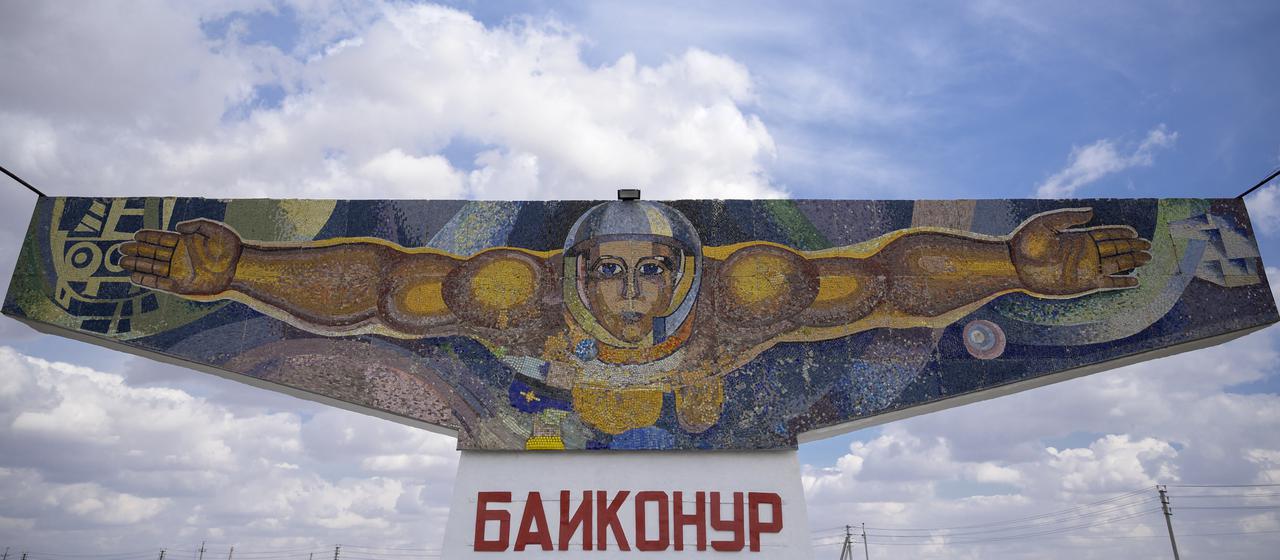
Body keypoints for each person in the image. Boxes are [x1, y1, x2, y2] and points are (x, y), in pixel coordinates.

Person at [120, 200, 1150, 447]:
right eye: (605, 270)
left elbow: (882, 281)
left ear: (680, 273)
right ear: (572, 271)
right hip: (538, 388)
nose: (625, 290)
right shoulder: (510, 295)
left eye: (647, 270)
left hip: (706, 398)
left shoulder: (745, 295)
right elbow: (388, 284)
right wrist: (244, 266)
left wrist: (1012, 262)